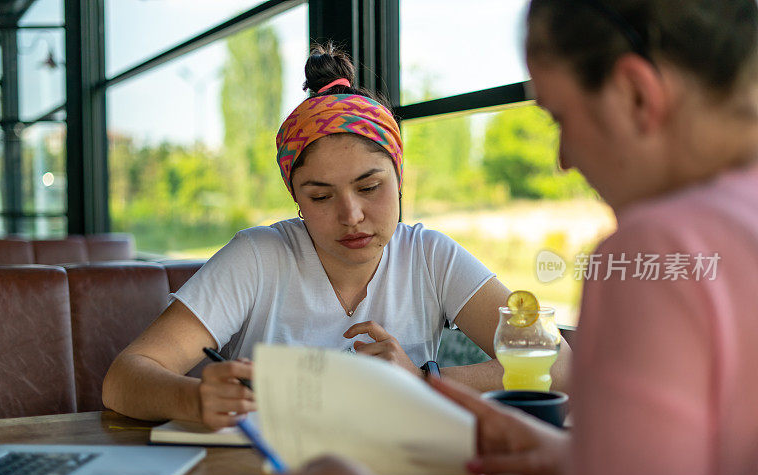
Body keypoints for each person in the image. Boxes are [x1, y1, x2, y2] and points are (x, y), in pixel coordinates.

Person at [257, 1, 758, 475]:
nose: (563, 158)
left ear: (636, 93)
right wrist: (579, 459)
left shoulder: (657, 252)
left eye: (560, 117)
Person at [101, 43, 571, 428]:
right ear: (296, 199)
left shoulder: (429, 256)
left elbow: (559, 362)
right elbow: (123, 379)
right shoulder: (259, 257)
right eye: (321, 197)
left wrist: (424, 382)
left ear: (400, 179)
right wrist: (195, 399)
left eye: (370, 187)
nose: (352, 215)